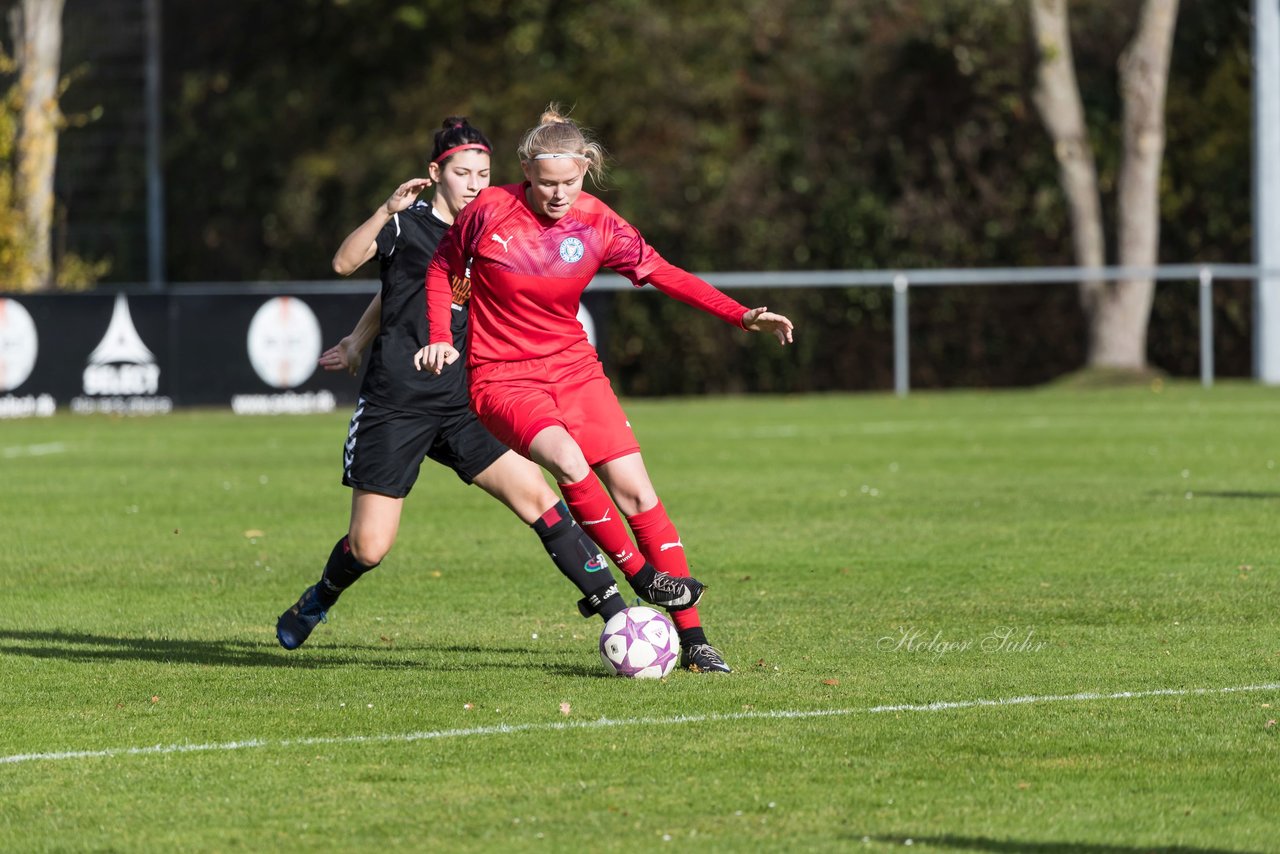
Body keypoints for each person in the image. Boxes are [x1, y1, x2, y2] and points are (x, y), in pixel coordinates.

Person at [276, 118, 699, 652]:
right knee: (370, 546)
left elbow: (408, 295)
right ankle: (319, 598)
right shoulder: (409, 225)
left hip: (465, 400)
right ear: (437, 174)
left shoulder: (496, 225)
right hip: (398, 401)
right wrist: (365, 323)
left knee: (542, 501)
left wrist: (360, 336)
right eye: (462, 172)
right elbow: (371, 277)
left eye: (483, 172)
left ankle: (620, 616)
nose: (474, 183)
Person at [413, 106, 795, 673]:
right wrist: (442, 334)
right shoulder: (490, 210)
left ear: (586, 170)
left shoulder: (599, 223)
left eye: (570, 182)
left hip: (574, 369)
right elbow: (441, 268)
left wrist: (740, 316)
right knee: (566, 460)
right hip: (500, 376)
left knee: (637, 491)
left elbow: (665, 273)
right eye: (546, 184)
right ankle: (643, 577)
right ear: (524, 170)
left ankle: (695, 642)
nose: (559, 194)